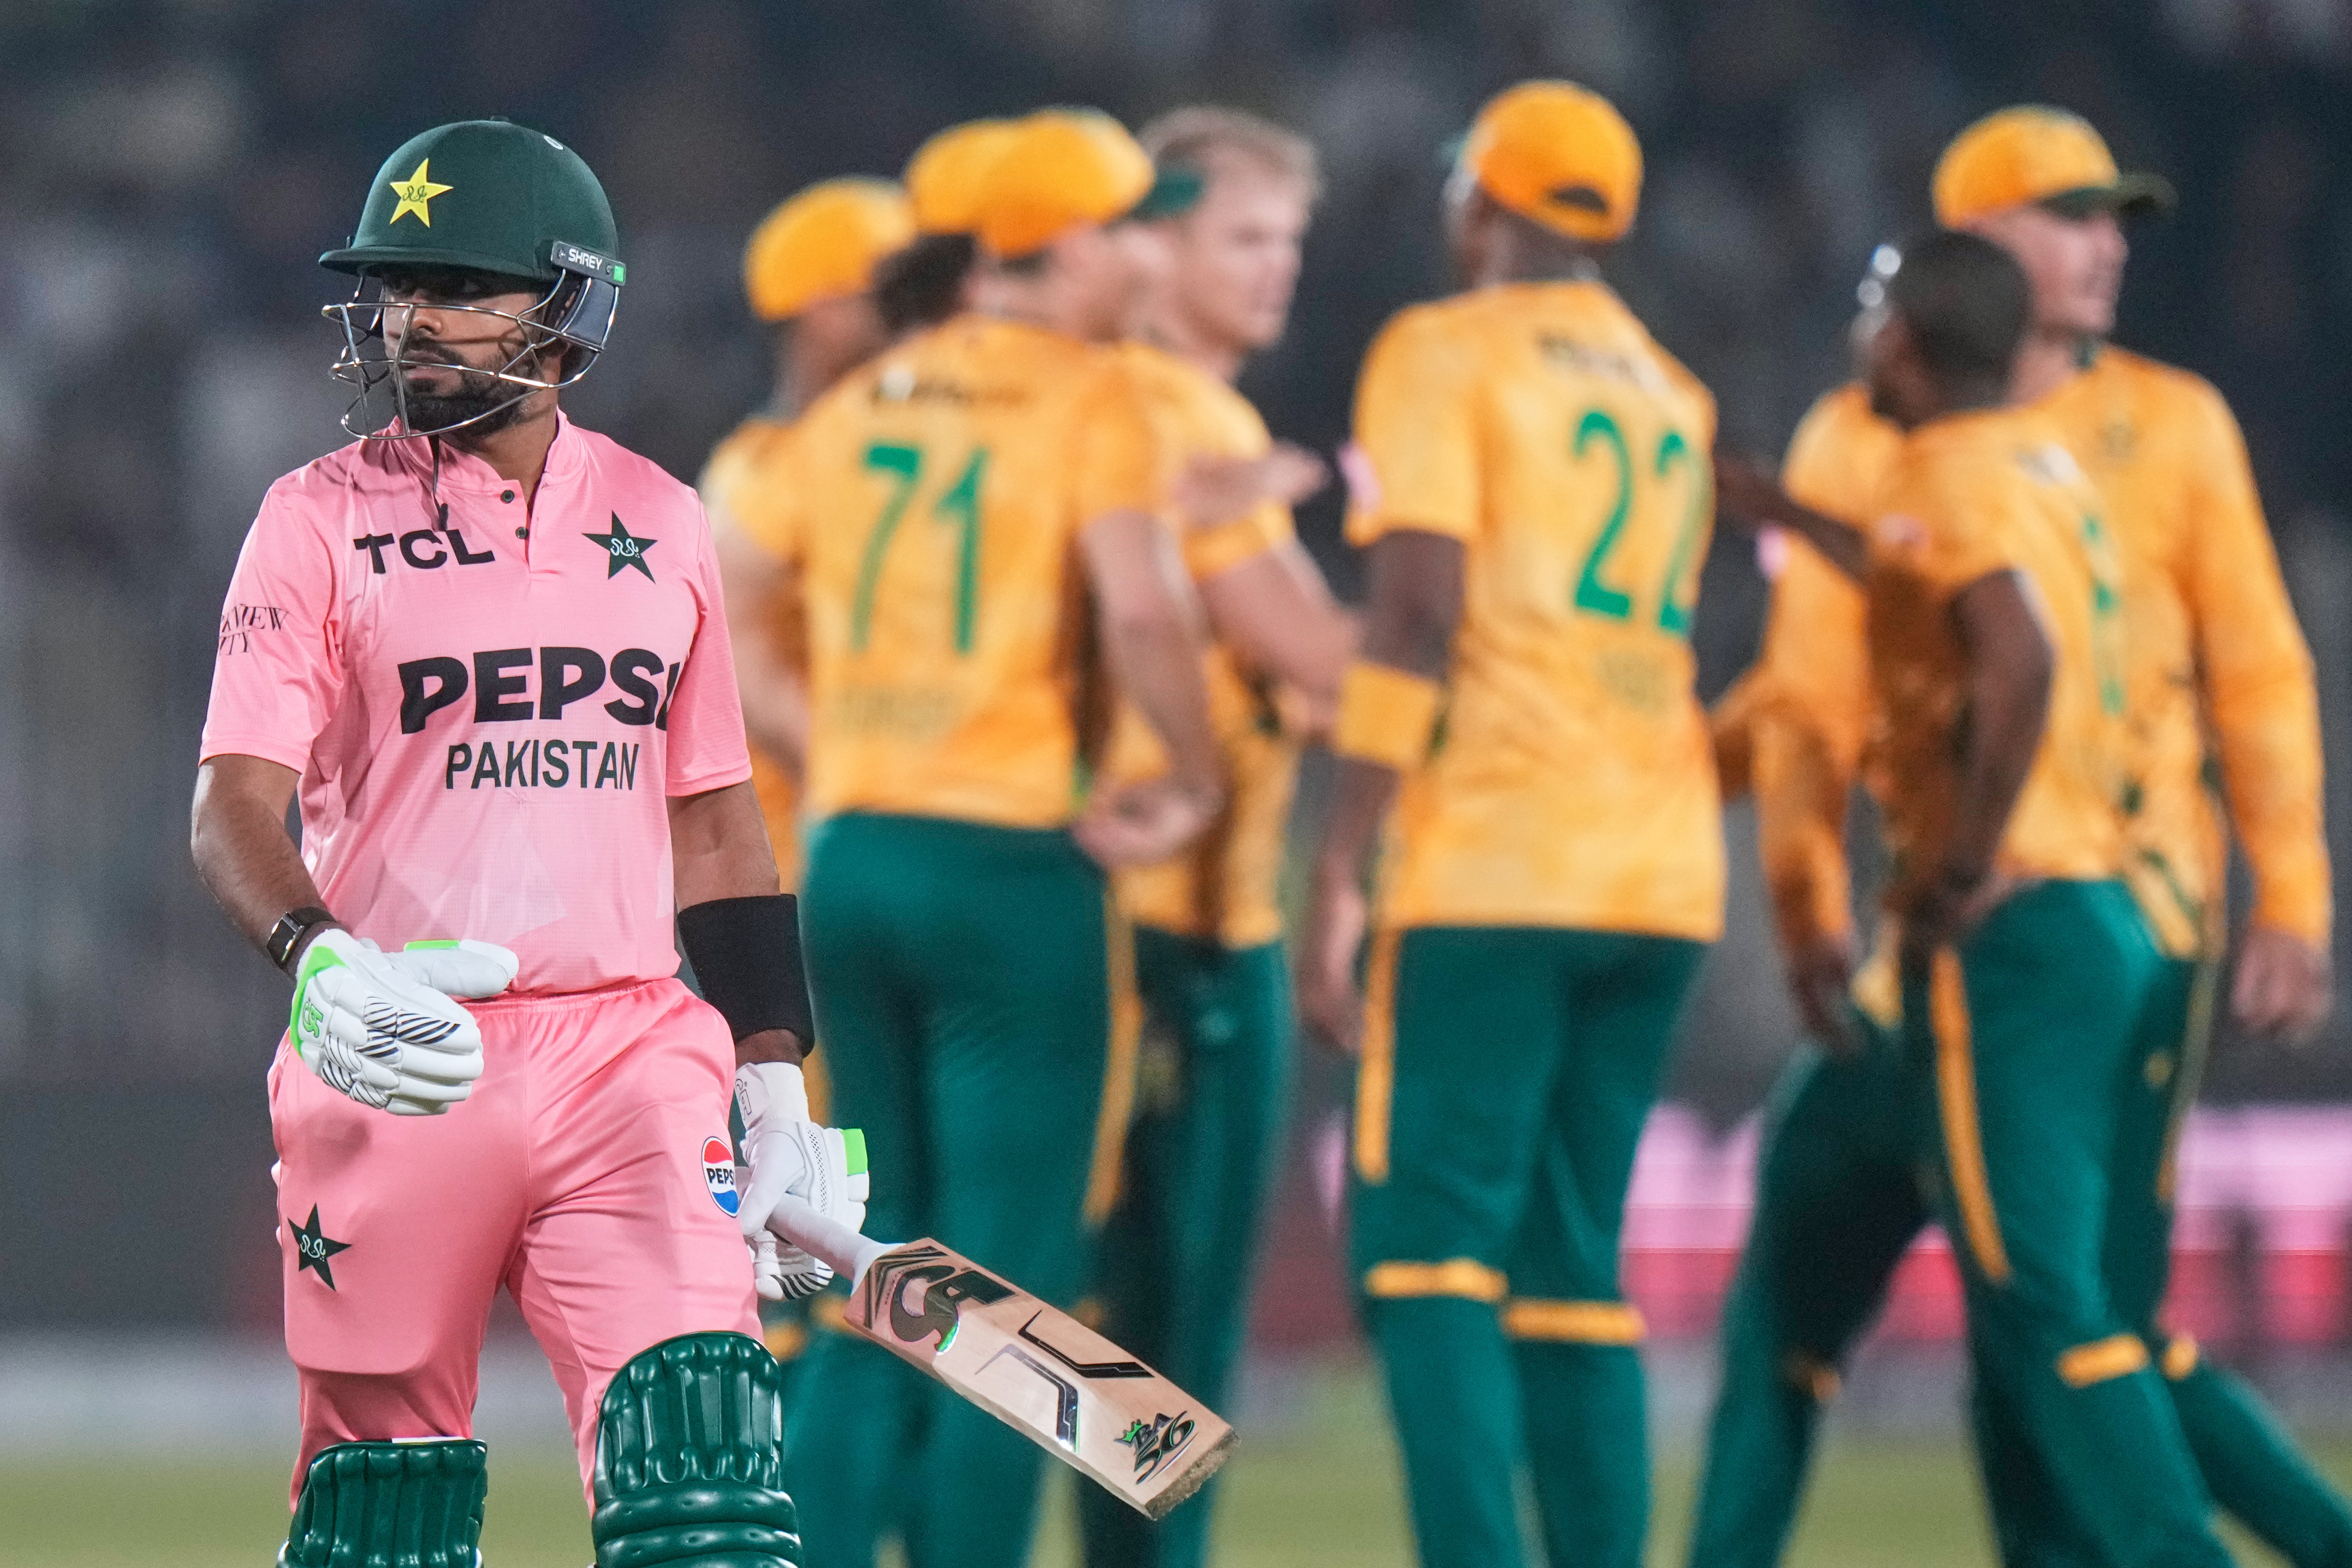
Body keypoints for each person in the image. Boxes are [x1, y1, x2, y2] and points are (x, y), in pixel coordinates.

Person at [190, 118, 863, 1568]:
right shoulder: (310, 521)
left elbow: (719, 815)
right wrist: (320, 969)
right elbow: (232, 805)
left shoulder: (663, 519)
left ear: (572, 307)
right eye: (397, 284)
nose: (411, 318)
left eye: (460, 283)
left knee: (714, 1489)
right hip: (397, 1047)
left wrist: (774, 1076)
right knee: (387, 1523)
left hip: (633, 1052)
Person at [1690, 106, 2345, 1568]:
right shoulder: (1912, 451)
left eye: (2118, 219)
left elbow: (2240, 669)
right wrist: (1806, 896)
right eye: (2076, 215)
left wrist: (2289, 895)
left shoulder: (2155, 426)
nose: (2110, 246)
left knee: (2059, 1318)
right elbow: (1824, 685)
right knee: (2034, 1316)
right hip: (1991, 944)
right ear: (1971, 255)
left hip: (2067, 926)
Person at [726, 107, 1226, 1568]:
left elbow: (725, 578)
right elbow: (1142, 610)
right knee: (1012, 1298)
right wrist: (1188, 773)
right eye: (1137, 224)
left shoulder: (862, 402)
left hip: (858, 864)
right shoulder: (1096, 395)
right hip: (1011, 864)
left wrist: (829, 741)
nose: (1155, 251)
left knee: (891, 1274)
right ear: (1068, 248)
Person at [1299, 81, 1724, 1568]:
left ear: (1482, 203)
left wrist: (1340, 866)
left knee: (1421, 1261)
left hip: (1495, 855)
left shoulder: (1440, 350)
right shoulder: (1676, 389)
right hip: (1661, 870)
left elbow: (1414, 616)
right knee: (1571, 1270)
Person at [1078, 105, 1353, 1568]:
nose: (1278, 271)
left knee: (1078, 1332)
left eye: (1290, 242)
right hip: (1180, 920)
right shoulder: (1176, 412)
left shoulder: (1116, 405)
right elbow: (1315, 654)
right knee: (1172, 1341)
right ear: (1158, 238)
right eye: (1245, 237)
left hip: (1122, 902)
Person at [703, 176, 915, 1392]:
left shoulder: (868, 456)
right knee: (809, 1237)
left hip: (844, 873)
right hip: (791, 894)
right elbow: (740, 667)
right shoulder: (766, 469)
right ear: (815, 308)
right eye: (877, 288)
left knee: (860, 1236)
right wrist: (870, 770)